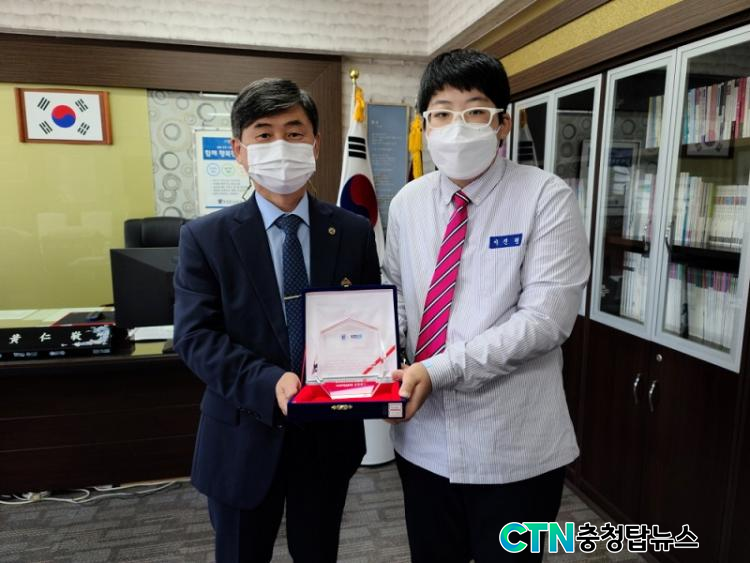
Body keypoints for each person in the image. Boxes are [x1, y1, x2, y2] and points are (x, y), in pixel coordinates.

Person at [383, 49, 590, 562]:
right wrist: (377, 358)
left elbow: (545, 320)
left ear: (503, 123)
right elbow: (397, 295)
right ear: (424, 125)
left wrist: (438, 369)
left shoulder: (546, 196)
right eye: (442, 113)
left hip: (515, 449)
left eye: (475, 111)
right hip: (423, 442)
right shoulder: (406, 203)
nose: (457, 127)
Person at [173, 78, 381, 563]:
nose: (280, 145)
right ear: (239, 150)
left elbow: (367, 319)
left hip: (327, 439)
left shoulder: (352, 231)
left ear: (316, 144)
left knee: (319, 553)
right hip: (241, 437)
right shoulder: (206, 237)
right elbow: (196, 337)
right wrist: (269, 383)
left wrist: (381, 367)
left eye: (294, 132)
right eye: (263, 134)